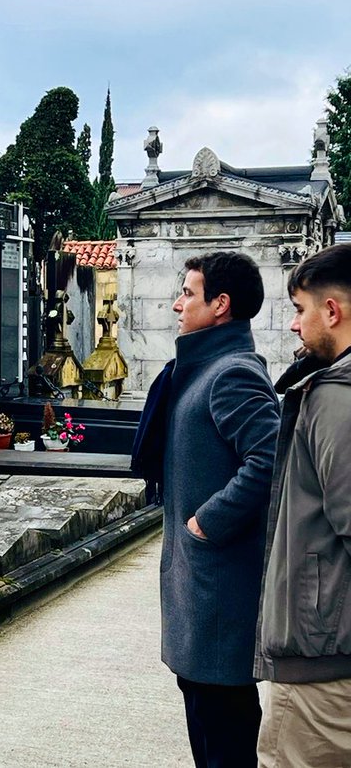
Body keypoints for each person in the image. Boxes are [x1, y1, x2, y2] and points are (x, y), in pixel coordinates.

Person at [131, 251, 280, 768]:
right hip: (198, 589)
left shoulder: (231, 374)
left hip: (219, 596)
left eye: (188, 293)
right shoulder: (197, 369)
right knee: (208, 733)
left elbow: (270, 457)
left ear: (221, 305)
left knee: (226, 744)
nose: (176, 303)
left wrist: (205, 523)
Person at [256, 244, 351, 766]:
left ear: (331, 312)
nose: (294, 326)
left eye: (299, 309)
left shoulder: (338, 398)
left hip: (324, 669)